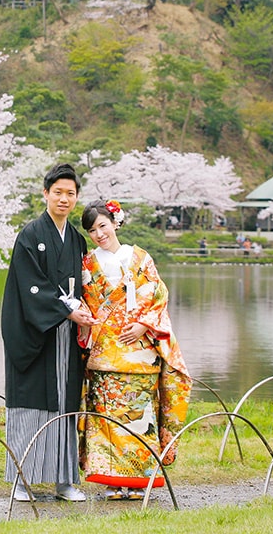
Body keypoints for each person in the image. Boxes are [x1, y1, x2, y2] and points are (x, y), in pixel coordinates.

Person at [77, 199, 192, 500]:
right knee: (106, 421)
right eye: (92, 230)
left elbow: (158, 296)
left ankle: (139, 481)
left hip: (139, 351)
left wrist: (144, 325)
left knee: (139, 420)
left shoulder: (139, 257)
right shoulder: (87, 263)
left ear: (115, 222)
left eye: (103, 225)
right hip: (103, 354)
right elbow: (84, 303)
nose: (99, 234)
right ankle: (113, 481)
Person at [0, 163, 95, 502]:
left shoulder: (76, 241)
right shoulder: (30, 235)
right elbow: (31, 287)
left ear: (76, 198)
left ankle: (65, 481)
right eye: (58, 192)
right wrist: (65, 309)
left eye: (70, 193)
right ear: (45, 193)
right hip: (35, 334)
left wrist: (82, 310)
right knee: (31, 403)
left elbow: (85, 285)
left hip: (66, 336)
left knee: (65, 403)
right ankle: (21, 480)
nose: (64, 199)